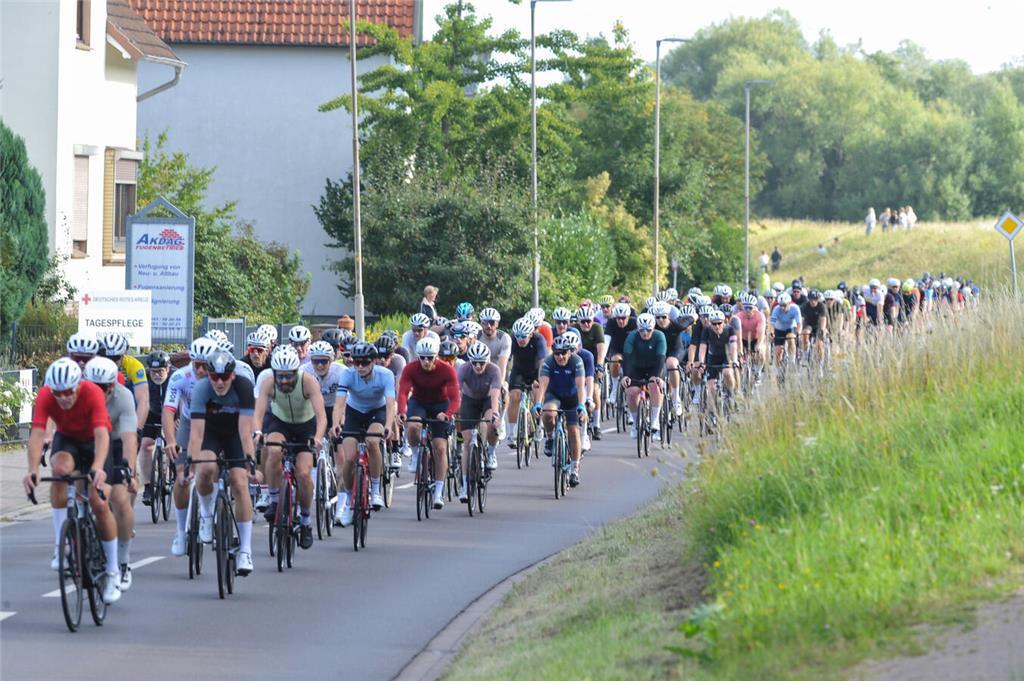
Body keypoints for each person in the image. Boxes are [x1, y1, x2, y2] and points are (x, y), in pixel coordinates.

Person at [23, 358, 122, 605]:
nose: (64, 398)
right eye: (58, 393)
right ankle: (60, 544)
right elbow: (37, 434)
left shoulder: (91, 393)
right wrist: (32, 469)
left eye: (68, 392)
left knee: (99, 504)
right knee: (58, 470)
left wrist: (98, 468)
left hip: (96, 442)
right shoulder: (46, 395)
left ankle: (112, 572)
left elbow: (101, 434)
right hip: (68, 440)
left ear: (78, 386)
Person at [188, 350, 258, 575]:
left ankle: (245, 550)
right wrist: (192, 462)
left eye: (224, 377)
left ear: (232, 376)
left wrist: (250, 461)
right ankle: (207, 515)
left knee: (239, 482)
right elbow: (196, 433)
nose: (219, 382)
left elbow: (245, 432)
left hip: (235, 434)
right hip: (211, 433)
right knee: (206, 467)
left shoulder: (245, 387)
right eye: (214, 377)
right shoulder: (201, 389)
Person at [253, 345, 327, 550]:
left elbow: (322, 416)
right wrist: (257, 432)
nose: (284, 380)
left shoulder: (308, 382)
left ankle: (305, 521)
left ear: (296, 372)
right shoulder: (269, 382)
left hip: (306, 426)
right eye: (280, 376)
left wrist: (318, 438)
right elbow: (258, 414)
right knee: (272, 450)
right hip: (281, 422)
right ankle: (275, 500)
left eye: (288, 376)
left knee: (303, 474)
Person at [83, 357, 139, 593]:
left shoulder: (123, 397)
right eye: (93, 387)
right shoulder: (79, 396)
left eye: (103, 388)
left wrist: (130, 473)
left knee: (118, 497)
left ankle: (123, 562)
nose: (98, 392)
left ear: (112, 386)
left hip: (115, 443)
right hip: (87, 442)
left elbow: (129, 440)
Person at [332, 341, 396, 524]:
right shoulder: (348, 374)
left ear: (374, 362)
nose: (359, 367)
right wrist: (336, 423)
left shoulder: (386, 375)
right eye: (356, 362)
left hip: (377, 411)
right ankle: (350, 503)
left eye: (364, 363)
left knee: (372, 442)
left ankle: (375, 491)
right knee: (349, 458)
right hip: (355, 412)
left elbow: (391, 404)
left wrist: (389, 426)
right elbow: (339, 403)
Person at [398, 336, 460, 510]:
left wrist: (447, 414)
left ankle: (439, 491)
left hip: (440, 405)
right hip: (419, 402)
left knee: (440, 448)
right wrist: (401, 412)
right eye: (422, 357)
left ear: (436, 356)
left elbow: (455, 398)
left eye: (430, 357)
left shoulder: (446, 370)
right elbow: (403, 392)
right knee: (413, 425)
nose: (426, 361)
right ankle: (416, 454)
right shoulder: (410, 368)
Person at [534, 335, 587, 487]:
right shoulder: (549, 362)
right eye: (557, 353)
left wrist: (582, 405)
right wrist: (538, 403)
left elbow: (580, 386)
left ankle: (575, 468)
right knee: (548, 412)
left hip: (572, 397)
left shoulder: (577, 362)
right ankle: (550, 438)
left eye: (564, 353)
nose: (560, 356)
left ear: (570, 352)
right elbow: (543, 385)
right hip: (554, 395)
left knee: (574, 431)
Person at [457, 342, 502, 488]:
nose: (477, 366)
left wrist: (495, 413)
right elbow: (456, 392)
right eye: (474, 362)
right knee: (467, 442)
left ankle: (490, 453)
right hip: (469, 400)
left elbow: (495, 394)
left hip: (487, 400)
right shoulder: (463, 369)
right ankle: (464, 483)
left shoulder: (494, 370)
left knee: (491, 423)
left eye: (481, 362)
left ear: (487, 361)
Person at [621, 313, 667, 441]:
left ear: (653, 329)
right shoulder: (632, 336)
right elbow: (627, 357)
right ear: (637, 329)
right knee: (631, 391)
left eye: (648, 330)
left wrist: (656, 376)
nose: (645, 333)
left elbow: (661, 358)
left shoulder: (659, 336)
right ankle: (636, 423)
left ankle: (655, 420)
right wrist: (626, 376)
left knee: (654, 385)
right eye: (642, 330)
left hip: (654, 367)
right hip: (636, 367)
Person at [139, 350, 171, 507]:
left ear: (168, 369)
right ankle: (148, 487)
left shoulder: (175, 378)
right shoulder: (143, 377)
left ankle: (174, 475)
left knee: (175, 444)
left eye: (160, 371)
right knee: (145, 446)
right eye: (153, 372)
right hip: (150, 413)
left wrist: (177, 418)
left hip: (172, 413)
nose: (156, 375)